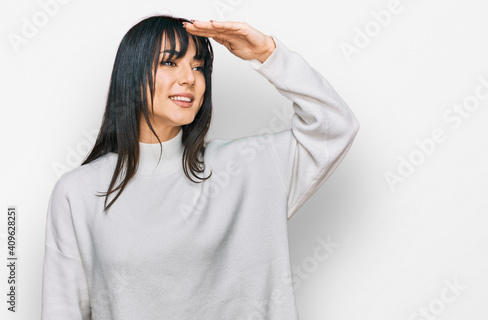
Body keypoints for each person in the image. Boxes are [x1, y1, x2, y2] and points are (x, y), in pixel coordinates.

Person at [41, 14, 359, 320]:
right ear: (132, 75)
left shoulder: (252, 167)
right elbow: (62, 310)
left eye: (199, 66)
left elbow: (336, 126)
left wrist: (267, 54)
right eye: (170, 62)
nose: (189, 78)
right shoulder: (79, 192)